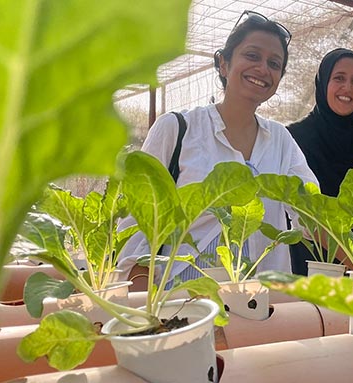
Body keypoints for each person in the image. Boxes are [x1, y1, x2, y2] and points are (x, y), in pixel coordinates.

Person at [117, 10, 318, 287]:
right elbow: (136, 225)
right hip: (181, 299)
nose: (263, 68)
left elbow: (312, 213)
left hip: (259, 305)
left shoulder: (281, 140)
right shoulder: (177, 129)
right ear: (223, 64)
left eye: (274, 63)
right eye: (252, 55)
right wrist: (145, 311)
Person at [286, 48, 353, 276]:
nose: (347, 88)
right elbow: (304, 213)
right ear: (323, 83)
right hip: (311, 264)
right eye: (339, 78)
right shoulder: (294, 138)